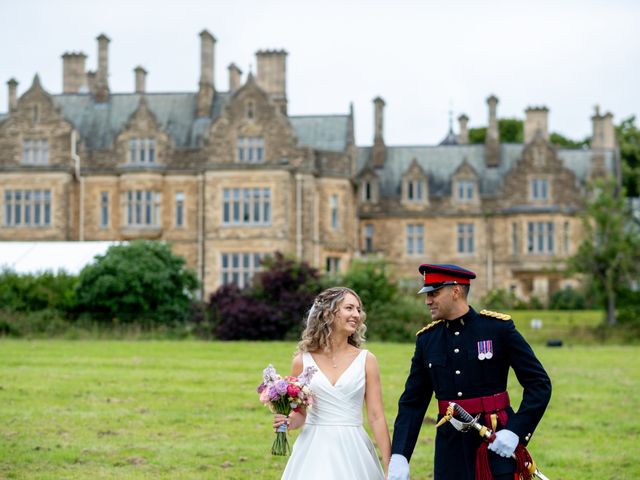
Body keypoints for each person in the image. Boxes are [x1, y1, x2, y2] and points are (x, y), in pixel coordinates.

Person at [388, 264, 552, 480]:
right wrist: (399, 455)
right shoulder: (427, 340)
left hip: (495, 442)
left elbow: (539, 384)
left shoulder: (498, 329)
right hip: (451, 450)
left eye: (434, 293)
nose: (428, 301)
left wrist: (515, 431)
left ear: (455, 291)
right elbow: (412, 403)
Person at [272, 286, 391, 479]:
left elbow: (376, 416)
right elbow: (300, 414)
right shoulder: (302, 361)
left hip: (354, 448)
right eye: (349, 308)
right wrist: (287, 421)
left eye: (358, 309)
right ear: (328, 313)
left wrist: (389, 465)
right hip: (313, 449)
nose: (357, 315)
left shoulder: (367, 360)